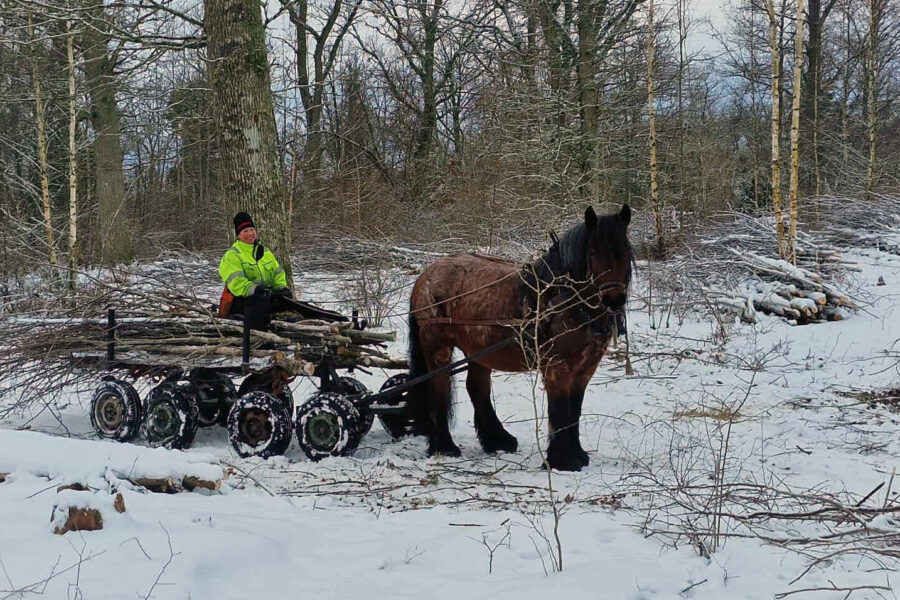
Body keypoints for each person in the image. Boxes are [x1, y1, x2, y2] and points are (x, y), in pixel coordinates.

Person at [218, 212, 292, 329]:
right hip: (242, 300)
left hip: (265, 296)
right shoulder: (232, 255)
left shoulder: (265, 252)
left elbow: (278, 273)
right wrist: (255, 289)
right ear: (238, 235)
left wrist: (281, 288)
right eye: (245, 231)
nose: (250, 234)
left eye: (252, 229)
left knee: (285, 300)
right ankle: (261, 337)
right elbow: (236, 283)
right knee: (259, 302)